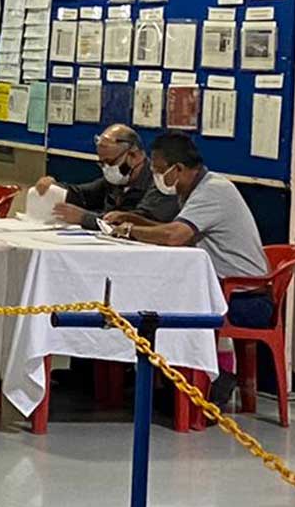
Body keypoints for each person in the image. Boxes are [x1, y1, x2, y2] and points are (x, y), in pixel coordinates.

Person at [107, 132, 270, 407]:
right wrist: (130, 217)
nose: (158, 178)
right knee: (151, 300)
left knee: (158, 308)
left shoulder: (214, 191)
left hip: (244, 298)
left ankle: (209, 384)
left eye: (159, 171)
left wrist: (131, 230)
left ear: (178, 169)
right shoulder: (194, 190)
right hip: (222, 288)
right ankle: (158, 385)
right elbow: (171, 229)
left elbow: (175, 236)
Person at [34, 124, 180, 231]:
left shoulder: (160, 182)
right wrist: (55, 186)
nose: (107, 169)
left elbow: (137, 221)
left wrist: (85, 218)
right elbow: (83, 194)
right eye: (102, 163)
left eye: (110, 162)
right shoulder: (116, 181)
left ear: (134, 156)